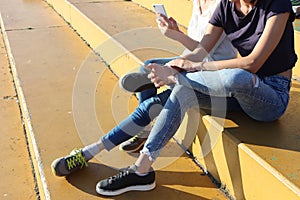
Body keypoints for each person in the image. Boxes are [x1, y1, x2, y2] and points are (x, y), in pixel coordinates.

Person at [52, 0, 297, 197]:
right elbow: (202, 49)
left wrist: (184, 69)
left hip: (270, 96)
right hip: (231, 92)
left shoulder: (277, 5)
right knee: (181, 89)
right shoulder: (226, 6)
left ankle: (171, 86)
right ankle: (138, 168)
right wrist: (181, 65)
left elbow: (252, 64)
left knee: (236, 77)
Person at [118, 0, 237, 152]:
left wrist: (175, 36)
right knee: (148, 65)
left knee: (166, 84)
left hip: (212, 67)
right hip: (190, 59)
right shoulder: (198, 2)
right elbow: (197, 45)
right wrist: (177, 32)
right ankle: (146, 129)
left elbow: (205, 52)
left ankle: (153, 117)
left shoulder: (222, 6)